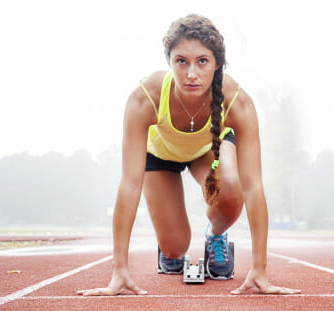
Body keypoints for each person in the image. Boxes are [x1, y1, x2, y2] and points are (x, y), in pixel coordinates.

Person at [77, 14, 301, 296]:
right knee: (175, 247)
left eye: (202, 61)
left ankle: (215, 236)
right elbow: (130, 184)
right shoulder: (144, 98)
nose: (191, 73)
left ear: (217, 63)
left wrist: (260, 269)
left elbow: (254, 185)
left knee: (233, 188)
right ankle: (168, 243)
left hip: (210, 148)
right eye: (181, 61)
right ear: (169, 61)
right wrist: (118, 270)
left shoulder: (237, 102)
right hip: (160, 156)